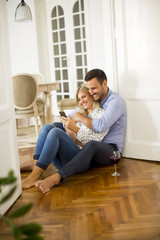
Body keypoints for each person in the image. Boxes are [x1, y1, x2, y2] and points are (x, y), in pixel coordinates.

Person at [35, 68, 127, 193]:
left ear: (104, 84)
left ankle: (57, 177)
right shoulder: (95, 97)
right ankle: (36, 164)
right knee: (53, 126)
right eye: (88, 89)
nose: (91, 92)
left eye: (93, 89)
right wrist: (69, 124)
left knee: (91, 144)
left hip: (110, 149)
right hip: (90, 143)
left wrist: (78, 121)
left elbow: (99, 126)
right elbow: (71, 117)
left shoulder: (115, 102)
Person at [22, 84, 109, 191]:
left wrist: (75, 129)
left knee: (56, 132)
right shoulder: (79, 113)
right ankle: (36, 169)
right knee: (47, 127)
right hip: (66, 159)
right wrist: (69, 131)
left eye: (84, 97)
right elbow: (74, 139)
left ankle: (34, 176)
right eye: (79, 99)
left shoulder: (101, 115)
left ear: (92, 96)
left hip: (82, 161)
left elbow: (94, 144)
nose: (81, 101)